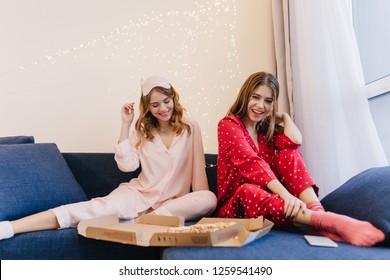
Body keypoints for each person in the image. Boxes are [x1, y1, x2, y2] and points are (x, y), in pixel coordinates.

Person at [0, 75, 217, 240]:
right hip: (138, 195)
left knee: (208, 197)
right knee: (95, 208)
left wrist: (202, 201)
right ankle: (12, 227)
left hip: (173, 204)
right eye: (155, 104)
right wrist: (125, 124)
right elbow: (126, 165)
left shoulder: (190, 127)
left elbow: (198, 169)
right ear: (148, 108)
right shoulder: (142, 132)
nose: (163, 108)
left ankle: (143, 221)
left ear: (174, 99)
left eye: (166, 101)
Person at [216, 71, 385, 247]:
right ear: (245, 96)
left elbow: (295, 141)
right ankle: (324, 220)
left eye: (268, 101)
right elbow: (251, 163)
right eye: (255, 97)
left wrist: (284, 117)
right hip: (235, 209)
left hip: (269, 207)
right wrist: (286, 195)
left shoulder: (266, 133)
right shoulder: (228, 124)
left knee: (287, 153)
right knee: (247, 190)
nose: (260, 105)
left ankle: (316, 211)